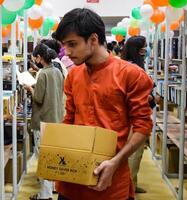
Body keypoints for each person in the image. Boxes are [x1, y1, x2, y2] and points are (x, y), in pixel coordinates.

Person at [52, 8, 153, 200]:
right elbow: (69, 119)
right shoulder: (74, 75)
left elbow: (143, 126)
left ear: (93, 39)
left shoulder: (130, 75)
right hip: (72, 182)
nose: (68, 52)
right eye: (65, 45)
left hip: (111, 180)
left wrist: (116, 162)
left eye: (73, 44)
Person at [24, 43, 64, 200]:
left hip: (43, 121)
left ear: (40, 58)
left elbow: (38, 98)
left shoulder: (43, 74)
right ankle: (47, 192)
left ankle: (45, 196)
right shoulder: (57, 71)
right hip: (56, 119)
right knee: (53, 158)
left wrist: (30, 89)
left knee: (43, 159)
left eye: (36, 58)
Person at [121, 35, 155, 194]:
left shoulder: (132, 65)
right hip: (132, 118)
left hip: (137, 115)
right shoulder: (132, 68)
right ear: (138, 49)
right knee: (133, 154)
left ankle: (132, 184)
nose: (147, 49)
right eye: (145, 46)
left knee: (136, 155)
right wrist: (147, 97)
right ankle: (129, 189)